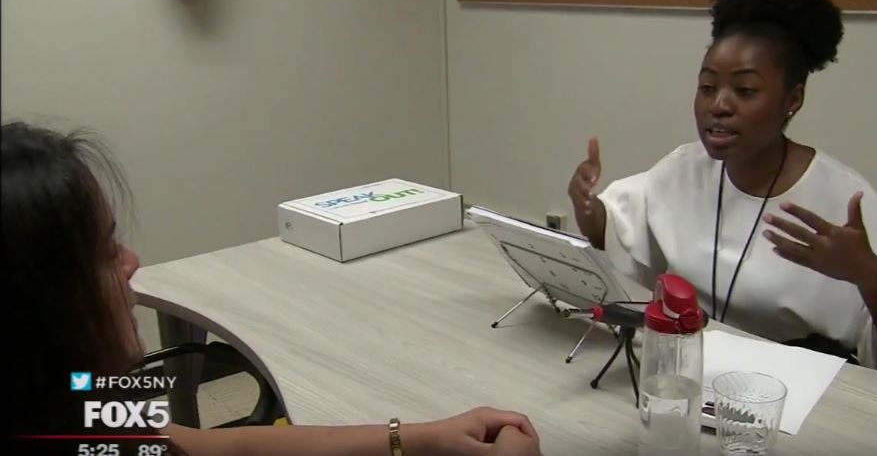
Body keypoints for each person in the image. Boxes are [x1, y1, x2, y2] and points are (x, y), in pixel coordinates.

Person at [4, 120, 542, 456]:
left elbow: (222, 445)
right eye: (104, 253)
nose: (131, 263)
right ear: (38, 305)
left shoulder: (79, 403)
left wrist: (419, 438)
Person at [567, 0, 877, 373]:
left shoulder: (842, 198)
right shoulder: (683, 169)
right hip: (693, 369)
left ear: (792, 99)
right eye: (708, 87)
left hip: (802, 391)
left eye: (744, 90)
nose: (718, 105)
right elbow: (617, 233)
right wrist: (586, 206)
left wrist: (868, 273)